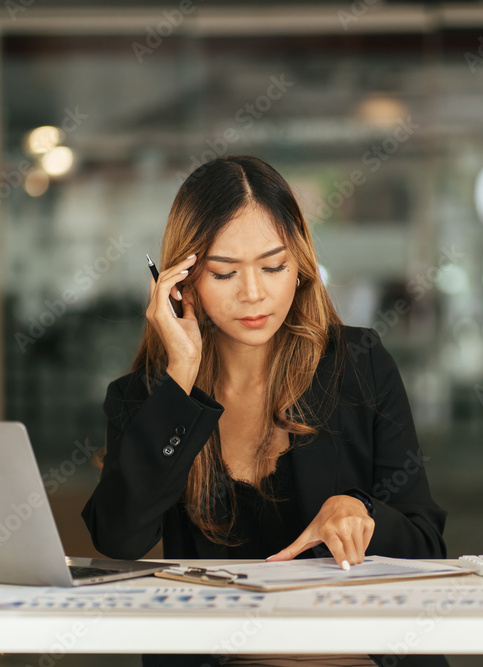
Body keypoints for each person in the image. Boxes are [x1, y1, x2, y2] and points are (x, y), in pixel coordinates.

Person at [82, 155, 447, 667]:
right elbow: (119, 538)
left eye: (273, 266)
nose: (253, 294)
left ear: (298, 265)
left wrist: (360, 513)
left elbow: (428, 546)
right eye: (224, 272)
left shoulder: (358, 366)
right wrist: (182, 375)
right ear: (182, 281)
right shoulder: (147, 397)